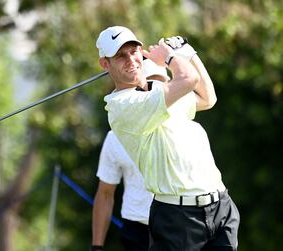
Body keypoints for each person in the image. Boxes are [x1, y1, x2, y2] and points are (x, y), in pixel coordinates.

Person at [95, 26, 240, 251]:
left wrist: (188, 52)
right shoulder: (122, 107)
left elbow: (207, 97)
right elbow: (188, 79)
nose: (131, 59)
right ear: (105, 64)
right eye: (120, 56)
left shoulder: (158, 90)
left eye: (134, 51)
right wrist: (171, 56)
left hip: (220, 206)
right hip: (178, 218)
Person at [91, 60, 170, 251]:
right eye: (150, 84)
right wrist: (97, 246)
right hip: (136, 229)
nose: (155, 90)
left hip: (175, 225)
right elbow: (105, 194)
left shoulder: (181, 127)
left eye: (161, 84)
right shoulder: (115, 137)